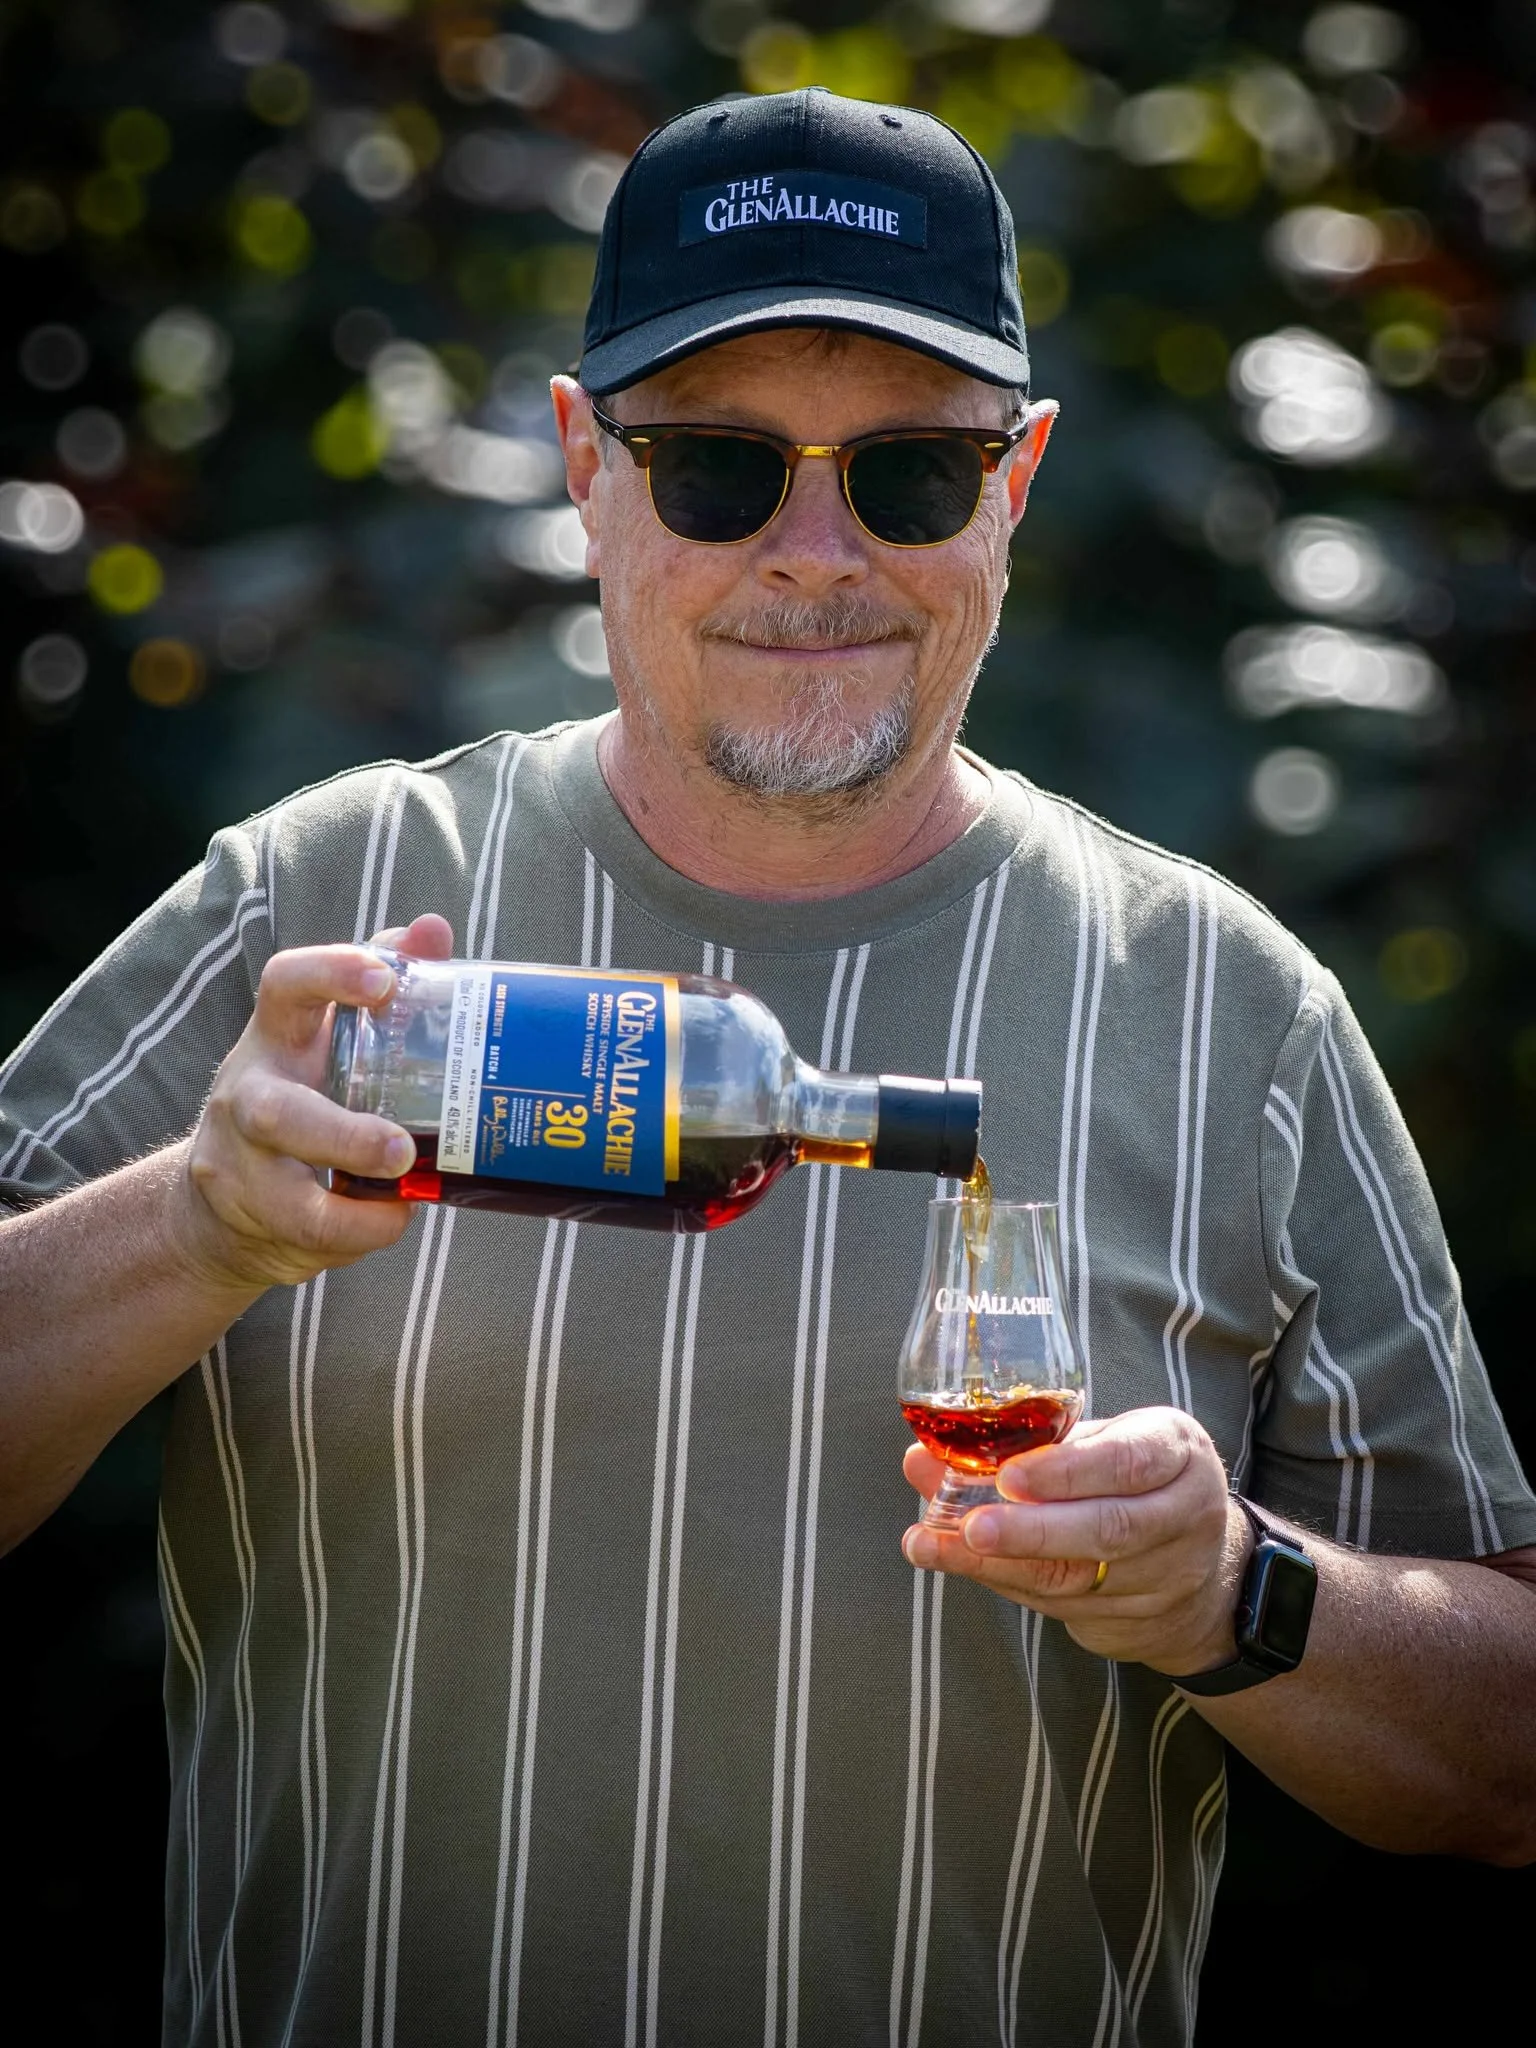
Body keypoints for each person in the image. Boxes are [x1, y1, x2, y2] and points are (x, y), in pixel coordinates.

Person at [2, 86, 1533, 2048]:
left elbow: (1508, 1774)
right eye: (721, 467)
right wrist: (195, 1221)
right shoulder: (329, 904)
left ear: (1018, 481)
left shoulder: (1235, 1006)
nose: (817, 555)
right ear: (584, 462)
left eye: (907, 475)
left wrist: (1234, 1592)